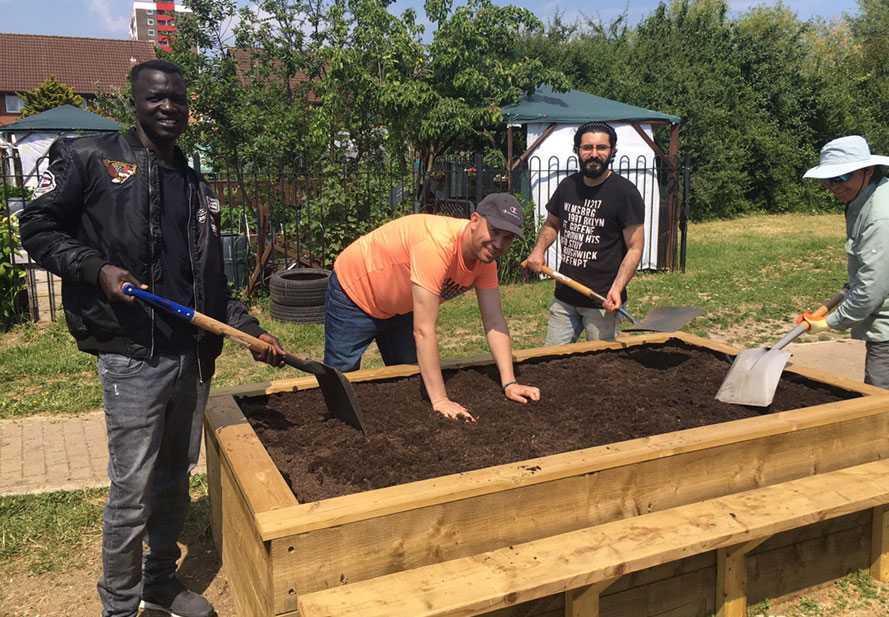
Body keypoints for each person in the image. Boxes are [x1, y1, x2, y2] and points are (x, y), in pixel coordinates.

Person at [19, 59, 285, 617]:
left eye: (178, 100)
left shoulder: (195, 184)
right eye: (157, 98)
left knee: (173, 479)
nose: (169, 108)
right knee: (132, 488)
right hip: (131, 355)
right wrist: (95, 269)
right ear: (134, 102)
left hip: (190, 355)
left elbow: (208, 283)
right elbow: (38, 227)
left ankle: (158, 581)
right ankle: (118, 605)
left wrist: (250, 329)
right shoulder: (90, 159)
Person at [323, 192, 541, 421]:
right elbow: (424, 330)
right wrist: (440, 400)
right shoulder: (437, 245)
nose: (498, 244)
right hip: (356, 292)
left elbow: (494, 320)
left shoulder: (485, 260)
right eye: (494, 231)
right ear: (475, 221)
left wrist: (509, 383)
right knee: (341, 377)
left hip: (404, 305)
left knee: (407, 378)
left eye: (508, 238)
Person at [797, 135, 889, 396]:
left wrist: (830, 323)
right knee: (883, 400)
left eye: (841, 177)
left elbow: (870, 291)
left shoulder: (883, 217)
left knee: (886, 406)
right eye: (827, 180)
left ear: (868, 170)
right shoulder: (873, 194)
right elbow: (873, 268)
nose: (833, 186)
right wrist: (848, 288)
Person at [524, 121, 645, 345]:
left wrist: (617, 289)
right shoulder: (568, 186)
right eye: (587, 147)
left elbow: (635, 247)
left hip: (603, 301)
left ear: (613, 151)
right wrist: (538, 250)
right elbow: (552, 223)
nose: (594, 154)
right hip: (565, 296)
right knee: (551, 361)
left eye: (601, 148)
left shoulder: (625, 193)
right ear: (577, 150)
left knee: (599, 367)